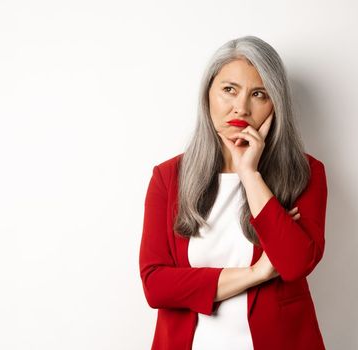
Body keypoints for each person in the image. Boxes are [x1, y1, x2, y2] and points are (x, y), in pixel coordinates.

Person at [138, 35, 328, 349]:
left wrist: (249, 174)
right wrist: (259, 271)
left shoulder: (304, 173)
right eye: (229, 90)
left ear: (275, 104)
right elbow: (156, 286)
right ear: (208, 94)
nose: (242, 107)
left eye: (259, 94)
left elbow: (294, 265)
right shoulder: (169, 177)